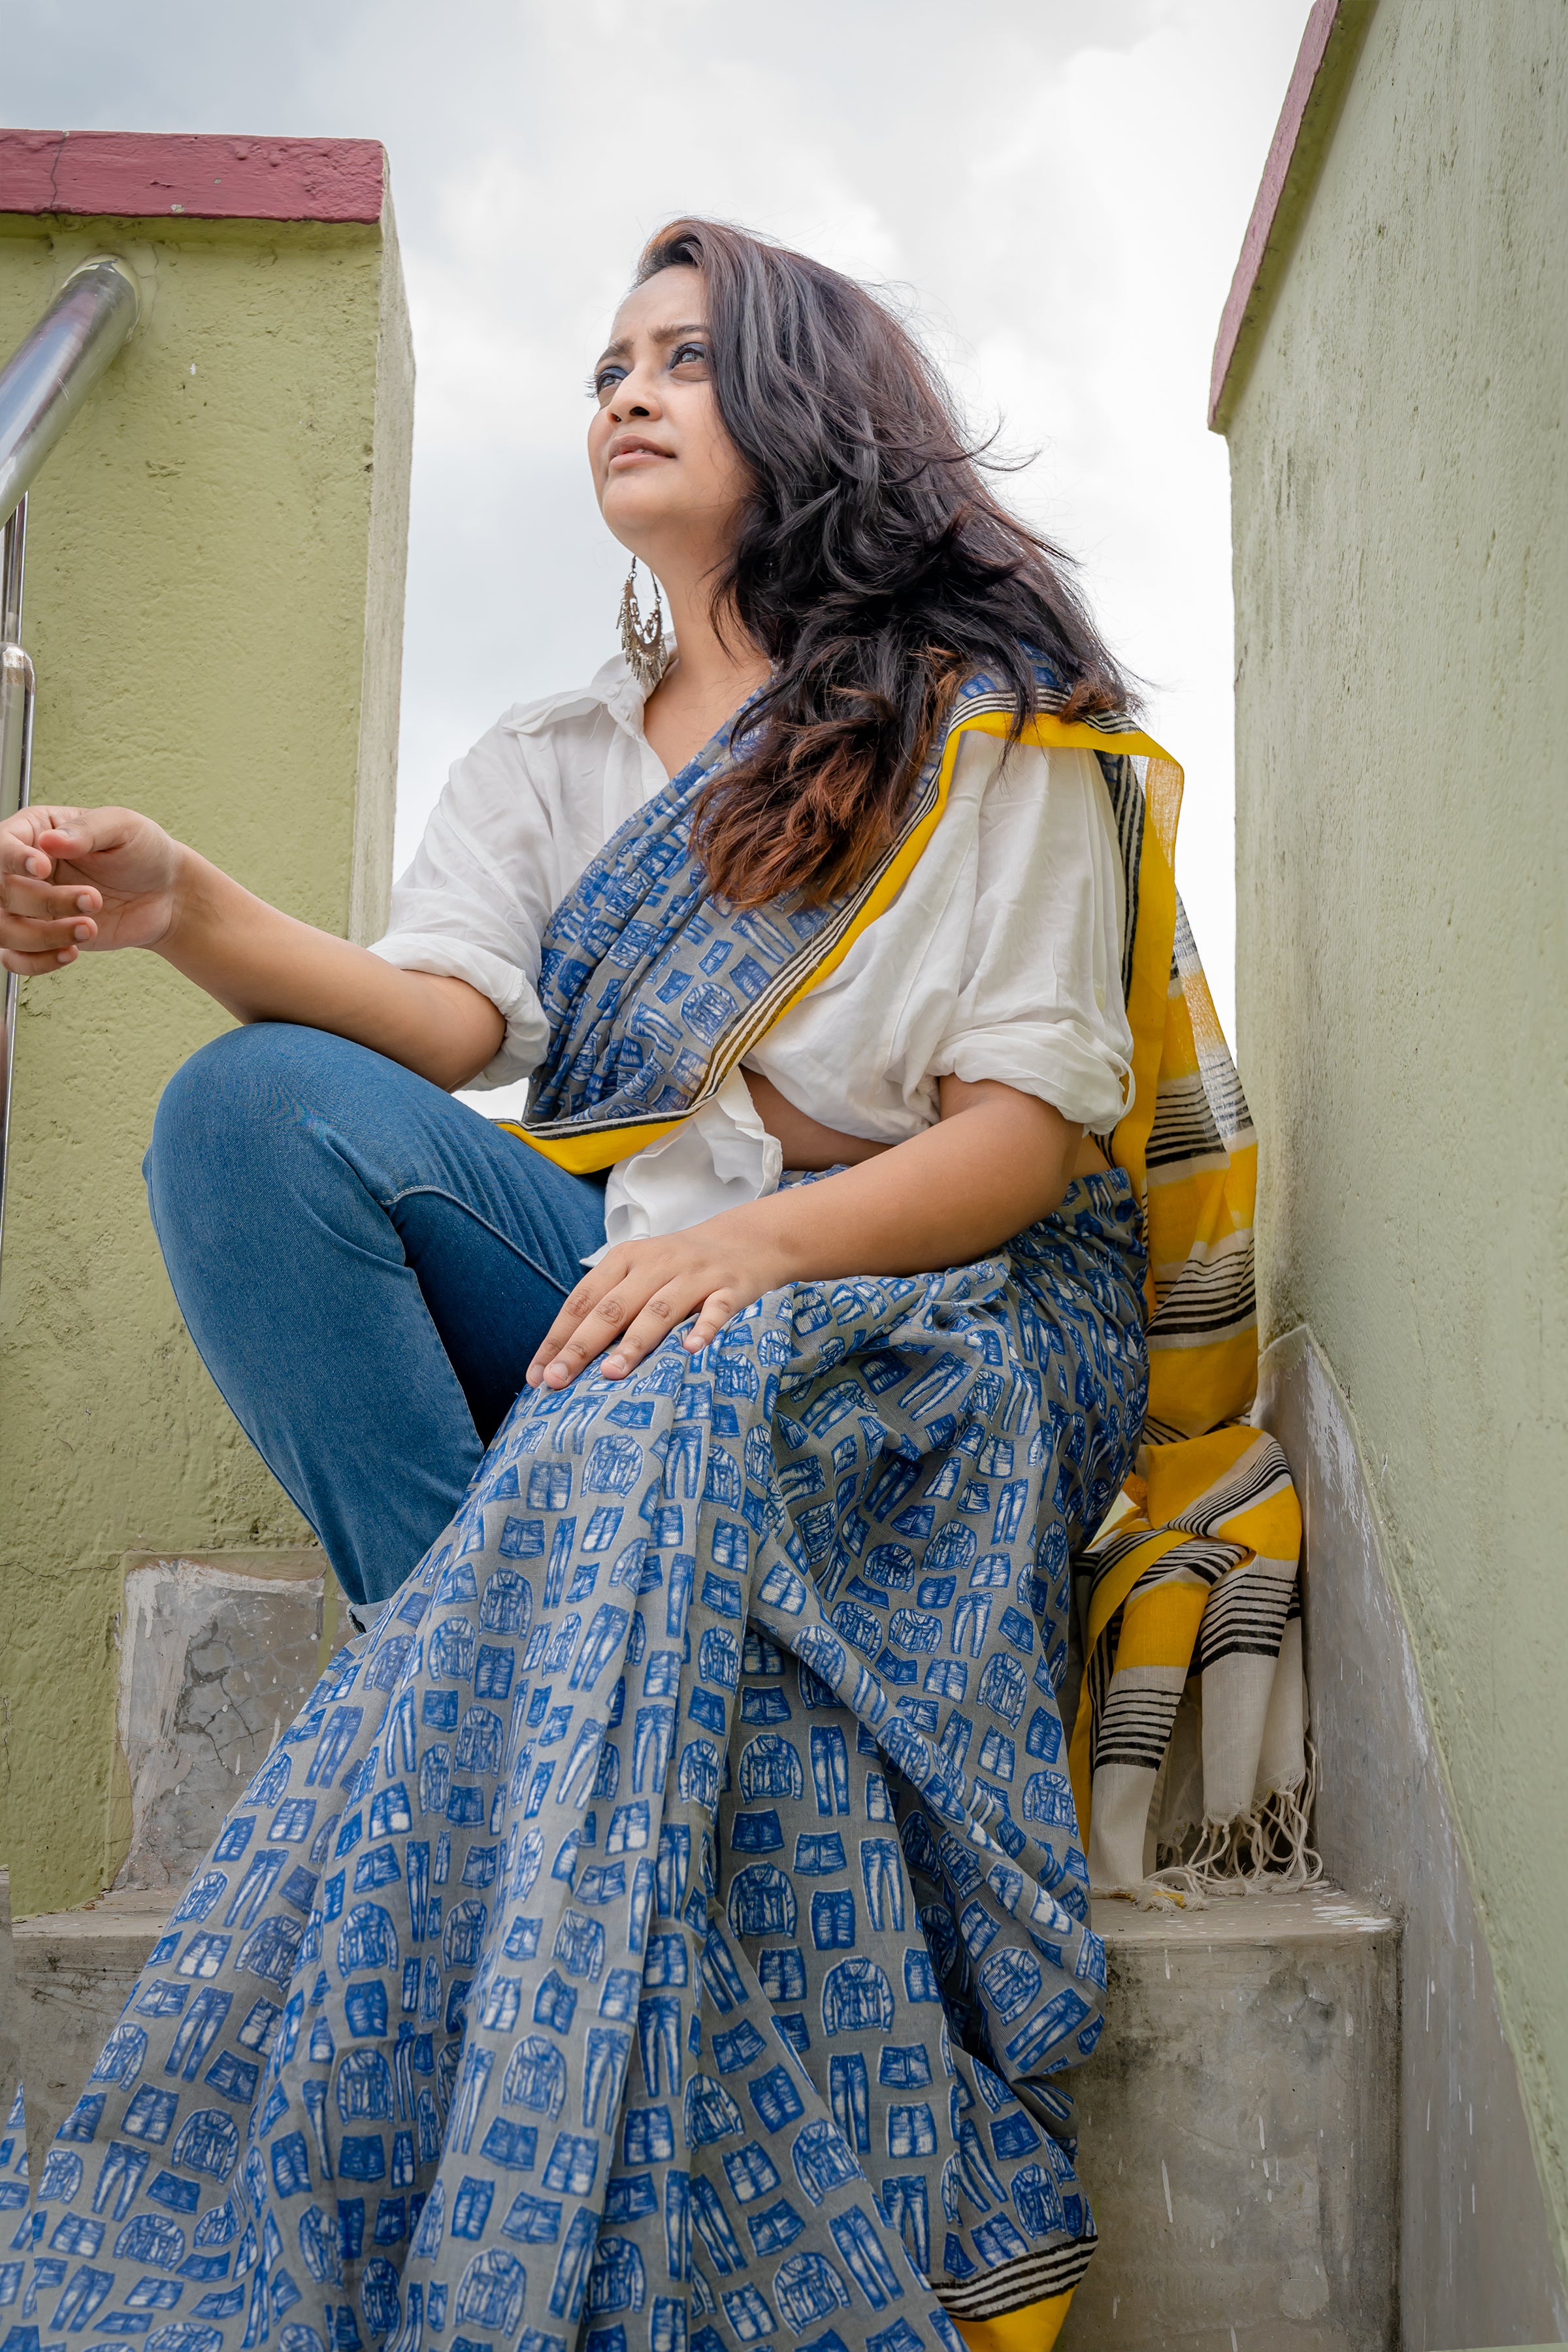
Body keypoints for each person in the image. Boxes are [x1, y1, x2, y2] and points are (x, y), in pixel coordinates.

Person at [0, 220, 1240, 2352]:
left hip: (917, 1304)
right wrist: (177, 901)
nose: (628, 394)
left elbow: (1023, 1139)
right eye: (606, 367)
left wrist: (759, 1243)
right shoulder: (555, 756)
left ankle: (490, 1693)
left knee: (681, 1357)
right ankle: (496, 1682)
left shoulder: (989, 731)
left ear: (811, 407)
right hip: (627, 1288)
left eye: (685, 357)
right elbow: (443, 1028)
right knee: (244, 1114)